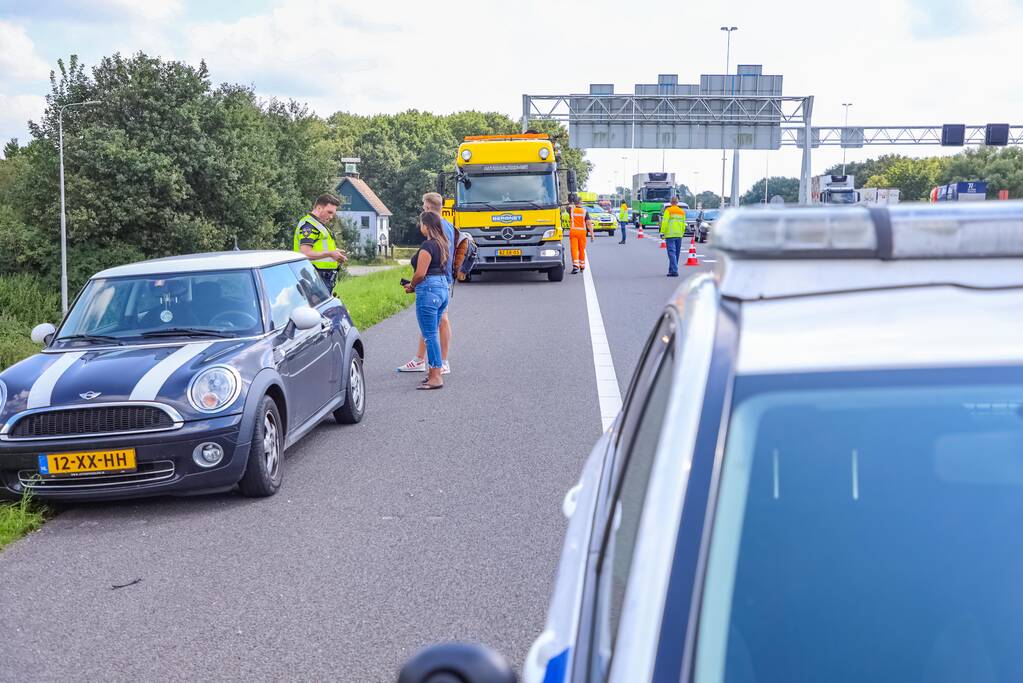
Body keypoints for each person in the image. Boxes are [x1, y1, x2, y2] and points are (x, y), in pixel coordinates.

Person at [397, 193, 456, 375]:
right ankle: (421, 360)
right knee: (431, 323)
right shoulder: (450, 226)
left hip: (436, 280)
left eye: (424, 205)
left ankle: (440, 364)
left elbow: (426, 266)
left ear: (429, 207)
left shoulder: (437, 231)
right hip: (443, 279)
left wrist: (414, 284)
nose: (422, 208)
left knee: (438, 323)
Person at [404, 211, 451, 390]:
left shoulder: (427, 245)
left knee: (429, 335)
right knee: (433, 334)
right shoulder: (443, 243)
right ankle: (434, 372)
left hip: (428, 289)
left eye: (421, 223)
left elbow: (421, 273)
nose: (420, 227)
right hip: (442, 288)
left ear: (426, 225)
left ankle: (436, 376)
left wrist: (412, 286)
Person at [294, 194, 348, 293]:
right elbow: (305, 254)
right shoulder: (309, 226)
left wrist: (334, 252)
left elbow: (319, 248)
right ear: (319, 208)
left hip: (320, 277)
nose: (331, 217)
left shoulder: (318, 225)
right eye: (329, 212)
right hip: (313, 277)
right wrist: (330, 253)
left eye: (333, 214)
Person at [660, 196, 687, 277]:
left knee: (671, 253)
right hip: (679, 234)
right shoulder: (682, 212)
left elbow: (664, 222)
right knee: (676, 253)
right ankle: (671, 270)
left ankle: (674, 271)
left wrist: (662, 232)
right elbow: (683, 224)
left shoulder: (668, 210)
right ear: (677, 202)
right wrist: (682, 233)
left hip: (670, 234)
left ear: (670, 202)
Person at [568, 194, 593, 274]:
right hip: (582, 233)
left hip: (573, 232)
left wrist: (571, 201)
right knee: (582, 249)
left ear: (575, 203)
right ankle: (582, 266)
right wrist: (592, 235)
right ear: (581, 203)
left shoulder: (571, 210)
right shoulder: (585, 211)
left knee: (574, 249)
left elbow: (567, 205)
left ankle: (575, 266)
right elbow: (589, 224)